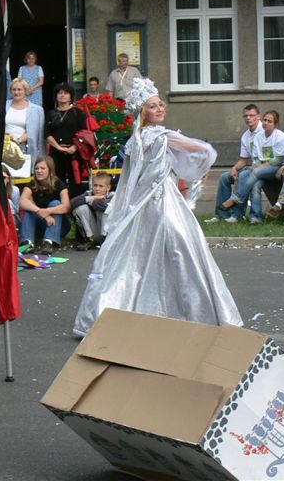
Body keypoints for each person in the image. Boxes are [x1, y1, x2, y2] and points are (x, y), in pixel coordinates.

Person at [73, 78, 242, 338]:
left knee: (136, 256)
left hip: (141, 203)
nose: (160, 109)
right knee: (180, 247)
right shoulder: (161, 136)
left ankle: (125, 308)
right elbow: (204, 150)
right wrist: (199, 169)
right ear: (144, 112)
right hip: (161, 200)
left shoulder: (136, 138)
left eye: (161, 104)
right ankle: (194, 311)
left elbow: (130, 178)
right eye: (153, 107)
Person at [211, 104, 263, 222]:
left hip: (261, 169)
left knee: (243, 176)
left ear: (258, 116)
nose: (248, 118)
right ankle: (221, 214)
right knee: (225, 177)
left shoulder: (264, 131)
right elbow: (244, 159)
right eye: (246, 116)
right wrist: (234, 168)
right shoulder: (246, 135)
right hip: (251, 167)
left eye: (252, 115)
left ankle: (237, 214)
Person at [18, 156, 70, 255]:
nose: (39, 171)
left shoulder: (59, 184)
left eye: (43, 168)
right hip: (40, 224)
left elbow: (66, 206)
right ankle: (27, 242)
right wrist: (39, 211)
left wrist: (47, 211)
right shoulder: (32, 183)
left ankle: (49, 242)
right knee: (29, 205)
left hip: (59, 226)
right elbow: (22, 201)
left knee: (55, 203)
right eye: (37, 168)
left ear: (50, 170)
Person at [45, 81, 90, 192]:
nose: (62, 95)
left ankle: (75, 204)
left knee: (75, 180)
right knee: (57, 182)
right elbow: (47, 134)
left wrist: (74, 147)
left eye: (65, 93)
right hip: (56, 152)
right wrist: (58, 147)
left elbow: (84, 133)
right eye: (59, 93)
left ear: (71, 96)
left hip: (74, 152)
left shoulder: (78, 113)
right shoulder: (51, 114)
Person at [3, 77, 45, 184]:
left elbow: (37, 133)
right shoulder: (3, 105)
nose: (16, 92)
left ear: (25, 90)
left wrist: (19, 139)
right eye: (14, 89)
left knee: (24, 180)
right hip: (5, 148)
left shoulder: (37, 110)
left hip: (24, 148)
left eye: (19, 89)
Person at [70, 171, 113, 250]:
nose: (97, 189)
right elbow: (72, 203)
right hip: (93, 231)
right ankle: (89, 239)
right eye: (95, 185)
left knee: (107, 209)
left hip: (106, 232)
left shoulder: (112, 196)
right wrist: (92, 198)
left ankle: (104, 240)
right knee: (80, 208)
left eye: (101, 186)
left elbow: (104, 207)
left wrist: (95, 201)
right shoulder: (89, 194)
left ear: (108, 187)